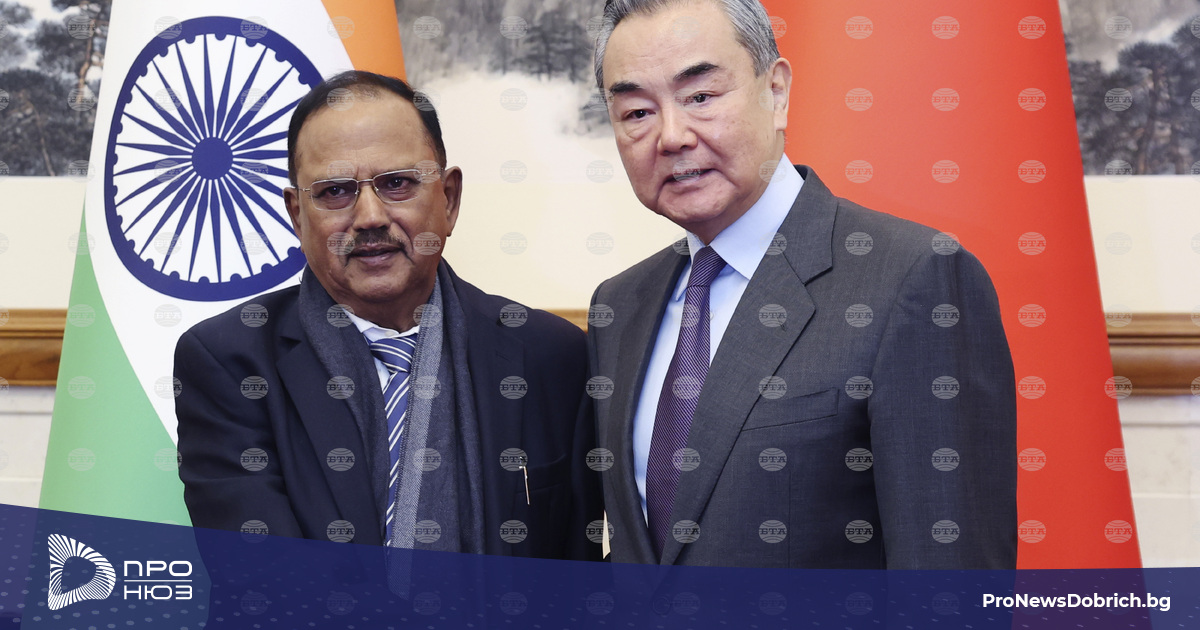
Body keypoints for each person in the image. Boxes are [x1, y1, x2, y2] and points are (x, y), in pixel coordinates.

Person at [589, 0, 1016, 568]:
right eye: (638, 111)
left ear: (776, 91)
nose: (671, 136)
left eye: (701, 97)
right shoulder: (619, 306)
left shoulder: (914, 278)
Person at [175, 71, 600, 560]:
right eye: (335, 191)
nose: (370, 217)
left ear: (449, 199)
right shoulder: (230, 362)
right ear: (297, 215)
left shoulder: (551, 356)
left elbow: (574, 573)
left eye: (397, 184)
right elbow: (266, 580)